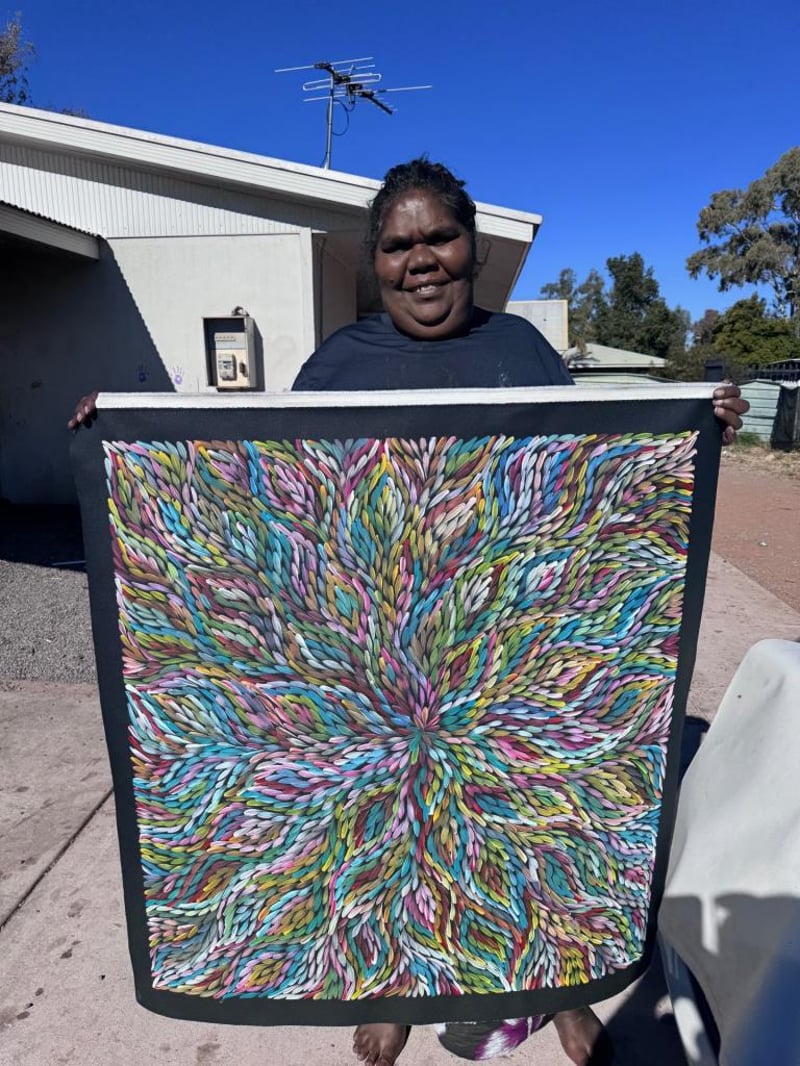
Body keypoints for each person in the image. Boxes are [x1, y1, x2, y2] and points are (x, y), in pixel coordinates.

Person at [69, 158, 748, 1066]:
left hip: (499, 637)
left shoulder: (522, 352)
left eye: (440, 238)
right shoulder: (338, 364)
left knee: (532, 817)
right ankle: (387, 990)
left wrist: (694, 424)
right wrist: (120, 433)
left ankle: (560, 990)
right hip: (369, 645)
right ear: (375, 261)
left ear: (474, 249)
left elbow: (585, 489)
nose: (420, 260)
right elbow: (279, 498)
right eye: (398, 246)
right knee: (376, 827)